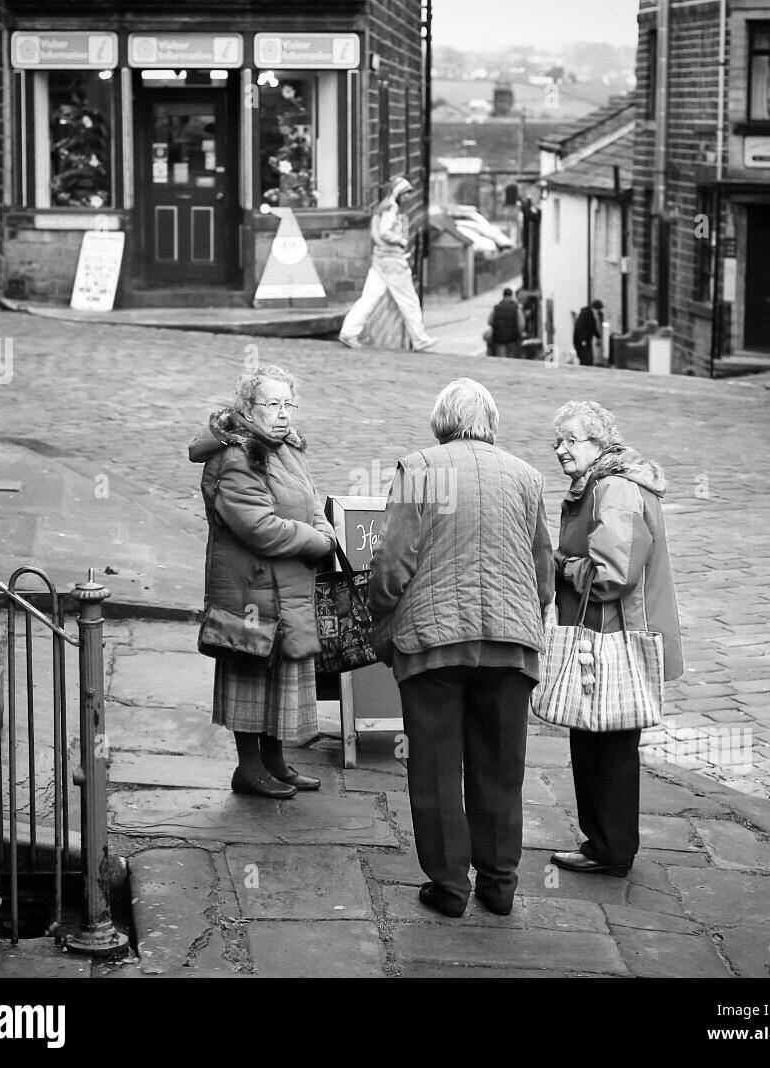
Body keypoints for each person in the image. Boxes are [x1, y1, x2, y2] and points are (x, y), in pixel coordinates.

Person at [367, 378, 555, 918]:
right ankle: (500, 885)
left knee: (435, 766)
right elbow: (544, 573)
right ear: (490, 423)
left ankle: (449, 888)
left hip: (433, 645)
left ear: (440, 421)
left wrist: (382, 618)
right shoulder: (525, 476)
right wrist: (526, 615)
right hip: (509, 646)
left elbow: (391, 563)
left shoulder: (418, 468)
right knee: (500, 767)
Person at [547, 400, 683, 877]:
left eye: (570, 440)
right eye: (557, 441)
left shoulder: (616, 489)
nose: (561, 450)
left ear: (600, 444)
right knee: (596, 741)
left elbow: (613, 574)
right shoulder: (604, 484)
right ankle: (602, 842)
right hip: (604, 632)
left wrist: (561, 565)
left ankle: (611, 849)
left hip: (613, 635)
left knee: (608, 747)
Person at [188, 364, 337, 799]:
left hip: (284, 584)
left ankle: (274, 763)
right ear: (248, 407)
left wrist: (323, 529)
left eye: (288, 403)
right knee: (252, 675)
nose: (283, 412)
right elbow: (259, 527)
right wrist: (317, 542)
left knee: (280, 677)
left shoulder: (285, 448)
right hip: (250, 591)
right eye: (272, 403)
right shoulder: (237, 456)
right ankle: (248, 770)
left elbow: (308, 501)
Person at [339, 176, 438, 352]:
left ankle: (349, 331)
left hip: (380, 258)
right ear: (399, 192)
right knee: (409, 300)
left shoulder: (382, 207)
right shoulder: (392, 208)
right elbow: (385, 232)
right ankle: (420, 338)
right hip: (392, 259)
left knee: (369, 297)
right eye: (406, 193)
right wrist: (400, 241)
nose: (408, 197)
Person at [486, 287, 526, 359]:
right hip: (513, 339)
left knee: (502, 359)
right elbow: (521, 324)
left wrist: (497, 327)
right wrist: (520, 333)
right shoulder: (516, 308)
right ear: (511, 296)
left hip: (499, 339)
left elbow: (489, 321)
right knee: (512, 359)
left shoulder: (497, 307)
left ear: (503, 296)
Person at [572, 300, 604, 367]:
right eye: (598, 310)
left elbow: (593, 328)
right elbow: (581, 327)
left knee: (588, 359)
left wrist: (598, 337)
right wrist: (583, 340)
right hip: (581, 341)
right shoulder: (586, 314)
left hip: (586, 341)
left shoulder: (591, 315)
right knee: (585, 359)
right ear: (595, 309)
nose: (598, 312)